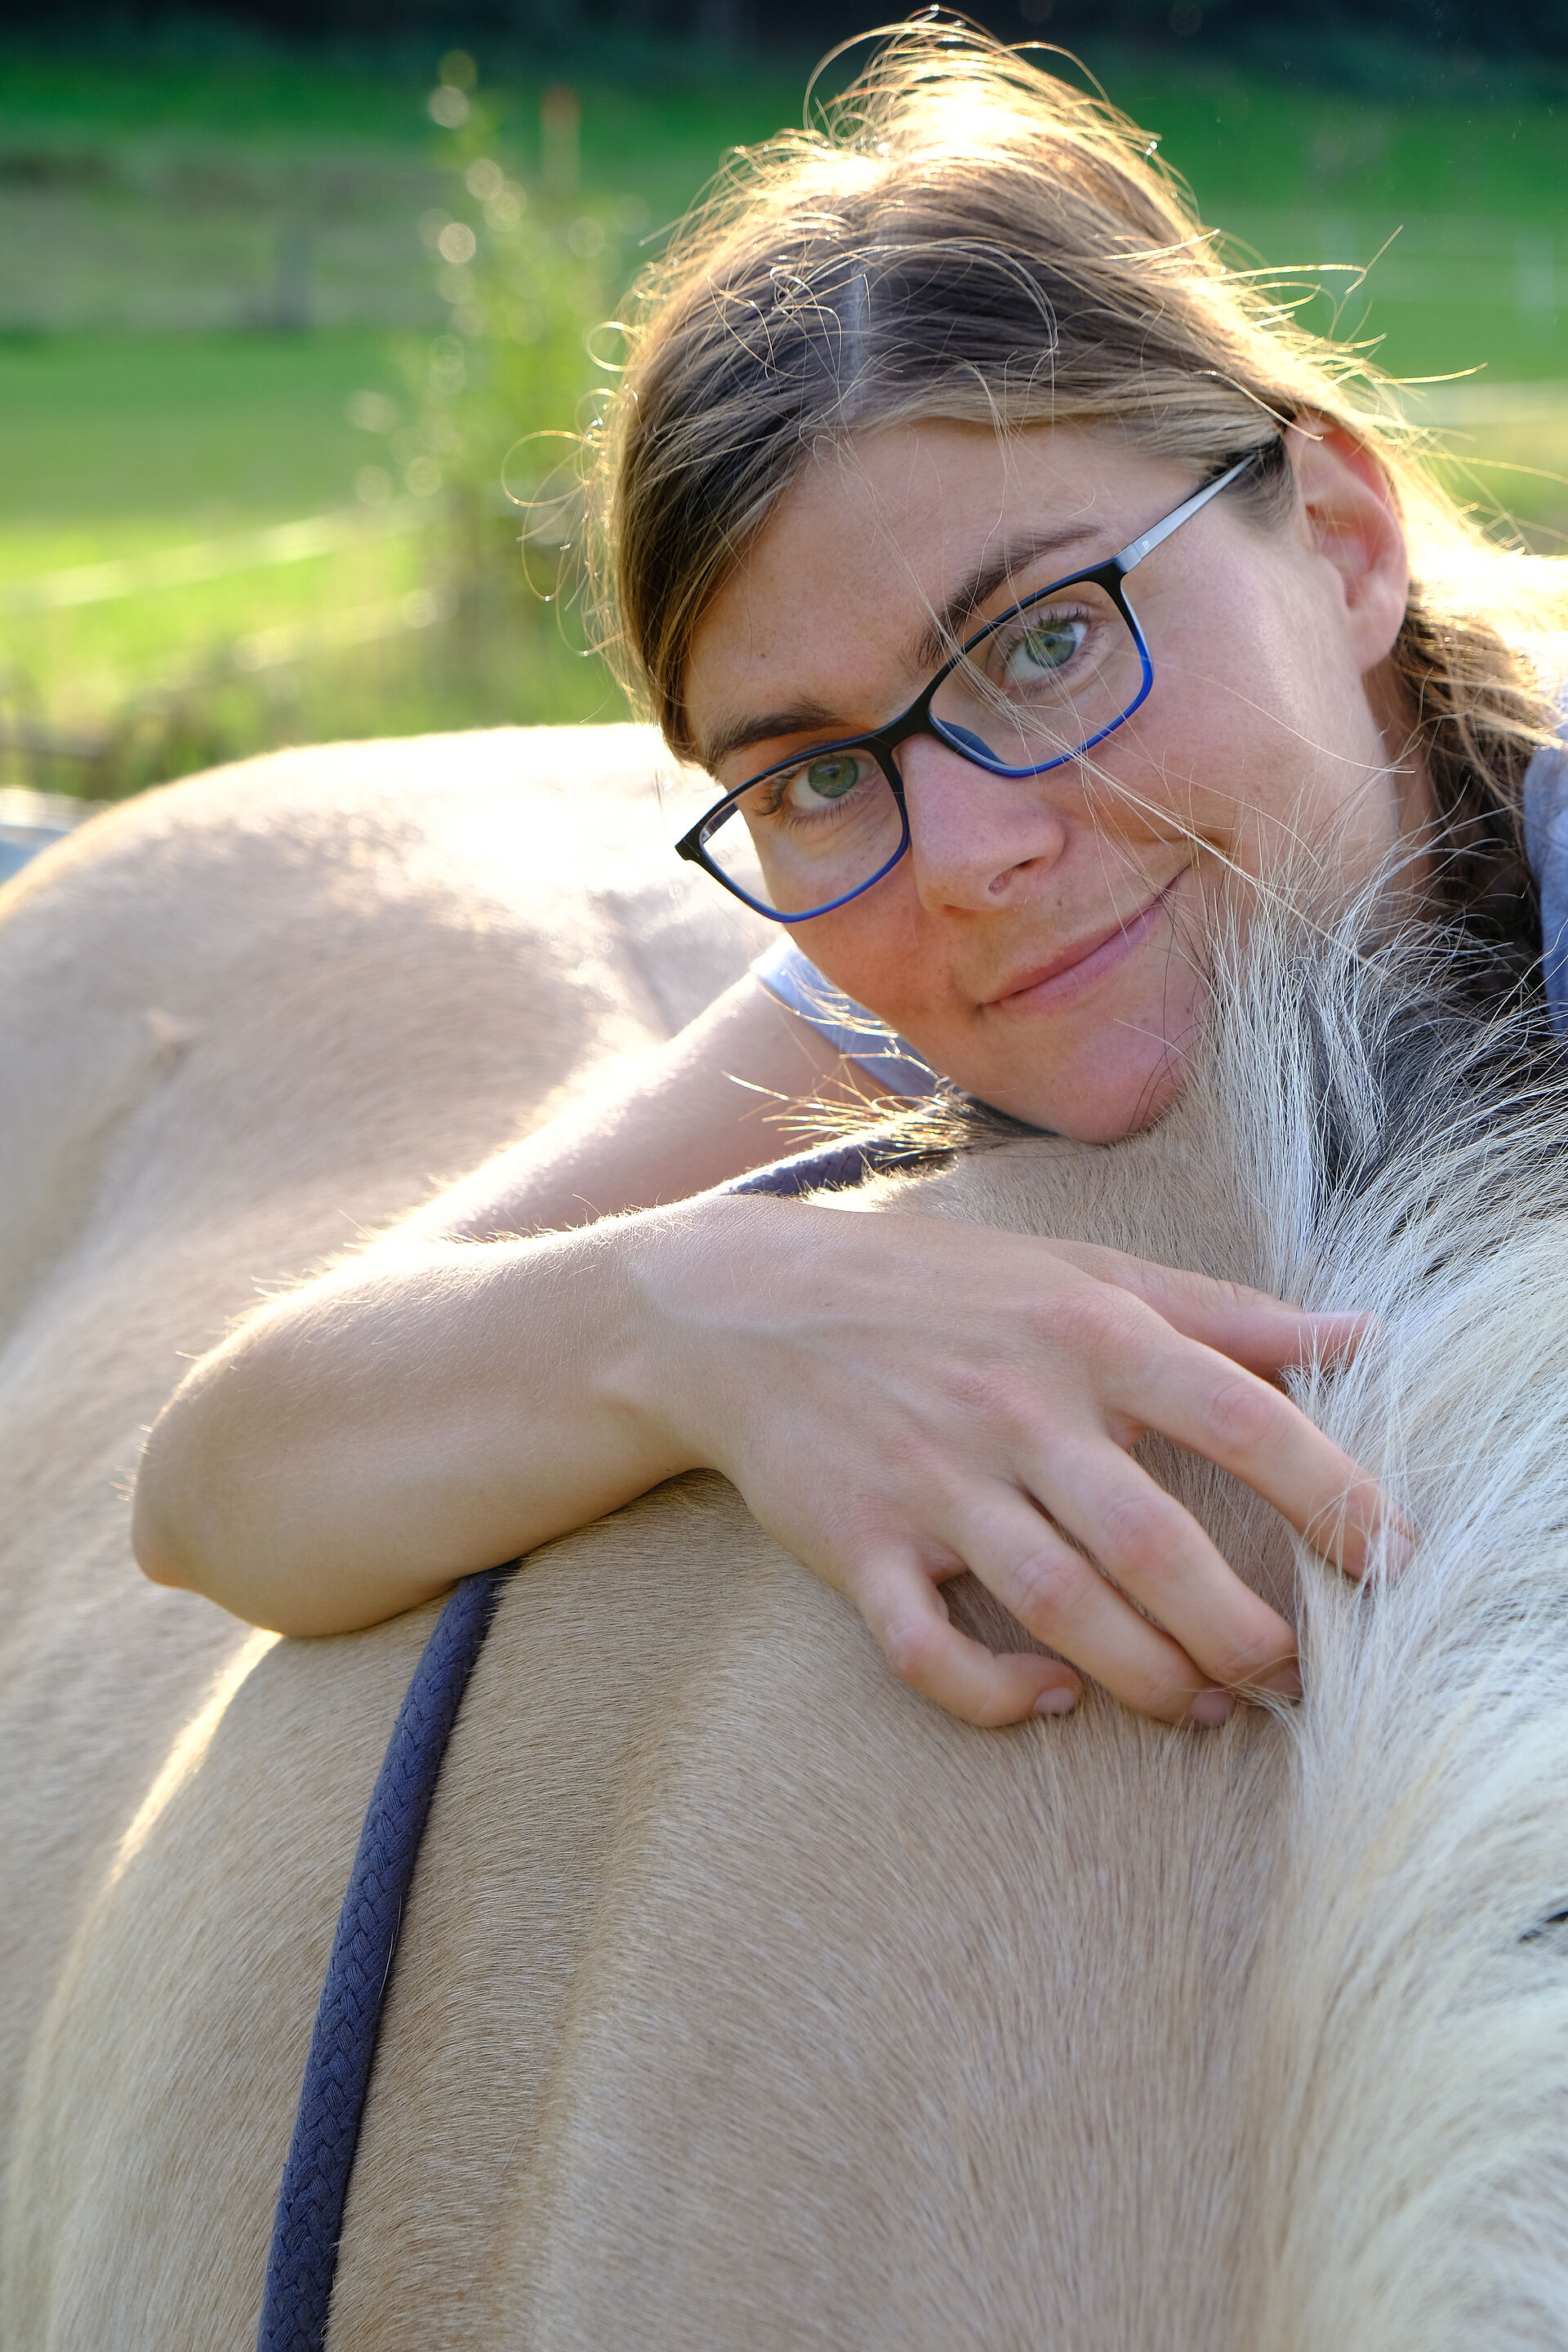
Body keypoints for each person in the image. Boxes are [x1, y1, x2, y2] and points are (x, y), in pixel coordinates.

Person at [131, 22, 1567, 1731]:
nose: (968, 861)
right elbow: (224, 1484)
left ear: (1339, 542)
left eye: (1045, 643)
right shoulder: (901, 972)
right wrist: (698, 1310)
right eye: (813, 773)